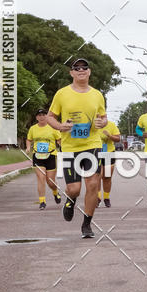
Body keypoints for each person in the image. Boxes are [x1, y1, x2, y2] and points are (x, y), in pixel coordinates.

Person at [47, 58, 107, 239]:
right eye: (77, 68)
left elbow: (104, 118)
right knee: (74, 188)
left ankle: (87, 224)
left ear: (89, 72)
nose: (81, 70)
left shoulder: (97, 94)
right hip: (70, 147)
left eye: (84, 68)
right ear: (71, 73)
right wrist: (59, 126)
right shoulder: (62, 94)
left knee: (93, 184)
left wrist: (101, 122)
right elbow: (50, 117)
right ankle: (70, 200)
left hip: (92, 144)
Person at [26, 109, 62, 209]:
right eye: (39, 115)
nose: (41, 117)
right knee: (41, 178)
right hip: (38, 156)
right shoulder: (33, 129)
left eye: (43, 115)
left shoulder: (53, 128)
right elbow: (29, 139)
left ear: (47, 116)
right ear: (36, 117)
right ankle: (42, 201)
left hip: (50, 155)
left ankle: (55, 192)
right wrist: (28, 147)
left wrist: (63, 147)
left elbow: (59, 140)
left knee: (50, 181)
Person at [97, 117, 121, 208]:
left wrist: (110, 136)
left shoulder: (111, 125)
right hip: (95, 153)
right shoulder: (92, 125)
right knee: (97, 176)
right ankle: (98, 198)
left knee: (107, 177)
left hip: (108, 153)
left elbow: (118, 138)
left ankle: (106, 198)